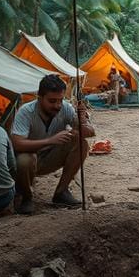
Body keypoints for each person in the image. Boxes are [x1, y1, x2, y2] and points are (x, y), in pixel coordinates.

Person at [11, 74, 96, 214]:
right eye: (52, 101)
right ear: (40, 97)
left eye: (60, 100)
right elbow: (17, 144)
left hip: (51, 157)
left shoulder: (66, 108)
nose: (57, 105)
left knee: (82, 144)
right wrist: (50, 140)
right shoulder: (26, 111)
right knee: (25, 159)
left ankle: (61, 192)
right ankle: (26, 197)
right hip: (29, 162)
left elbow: (90, 132)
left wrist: (83, 120)